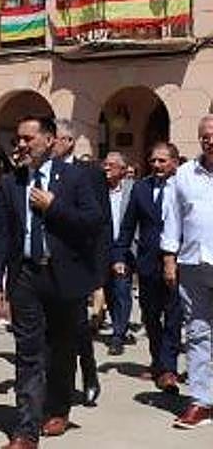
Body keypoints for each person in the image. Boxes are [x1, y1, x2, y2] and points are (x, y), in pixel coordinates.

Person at [0, 114, 102, 446]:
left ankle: (58, 409)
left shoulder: (76, 178)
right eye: (18, 139)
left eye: (28, 138)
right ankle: (25, 430)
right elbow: (1, 236)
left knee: (62, 348)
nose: (21, 145)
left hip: (63, 276)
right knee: (29, 352)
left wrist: (55, 207)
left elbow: (93, 223)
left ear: (49, 140)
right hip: (26, 276)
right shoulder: (11, 183)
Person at [114, 142, 181, 393]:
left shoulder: (183, 187)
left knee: (174, 315)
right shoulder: (141, 188)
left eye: (162, 161)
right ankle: (158, 361)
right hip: (147, 262)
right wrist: (119, 255)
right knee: (151, 315)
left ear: (174, 162)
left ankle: (168, 368)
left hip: (179, 261)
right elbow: (128, 225)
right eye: (153, 160)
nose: (157, 165)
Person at [53, 118, 110, 407]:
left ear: (68, 142)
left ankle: (89, 373)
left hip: (79, 261)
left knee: (78, 325)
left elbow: (102, 223)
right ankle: (58, 384)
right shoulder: (41, 172)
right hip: (48, 262)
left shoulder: (90, 173)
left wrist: (99, 273)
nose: (50, 143)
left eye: (55, 138)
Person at [162, 115, 213, 429]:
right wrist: (169, 259)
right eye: (205, 135)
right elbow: (173, 220)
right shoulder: (184, 174)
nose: (210, 140)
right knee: (197, 332)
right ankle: (201, 401)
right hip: (193, 264)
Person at [100, 152, 134, 355]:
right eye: (105, 164)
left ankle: (118, 335)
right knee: (109, 290)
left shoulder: (132, 189)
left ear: (123, 170)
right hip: (103, 248)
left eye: (111, 165)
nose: (106, 167)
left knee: (122, 288)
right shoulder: (97, 189)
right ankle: (118, 324)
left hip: (125, 247)